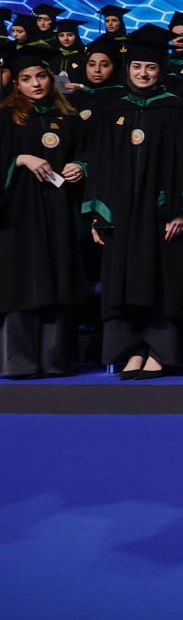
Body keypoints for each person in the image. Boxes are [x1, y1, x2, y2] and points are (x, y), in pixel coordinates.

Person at [82, 27, 183, 378]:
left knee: (160, 280)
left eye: (150, 68)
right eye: (136, 68)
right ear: (127, 70)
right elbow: (100, 165)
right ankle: (131, 350)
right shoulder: (113, 109)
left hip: (159, 214)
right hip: (122, 215)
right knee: (122, 280)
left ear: (161, 71)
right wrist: (97, 215)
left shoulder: (174, 110)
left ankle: (159, 351)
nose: (143, 74)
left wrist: (179, 209)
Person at [0, 46, 88, 377]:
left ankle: (55, 360)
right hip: (18, 216)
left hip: (59, 212)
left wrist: (81, 166)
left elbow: (87, 153)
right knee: (20, 281)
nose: (35, 84)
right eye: (26, 79)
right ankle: (20, 361)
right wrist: (20, 160)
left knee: (57, 277)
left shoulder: (68, 118)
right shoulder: (6, 118)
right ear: (16, 84)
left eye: (40, 76)